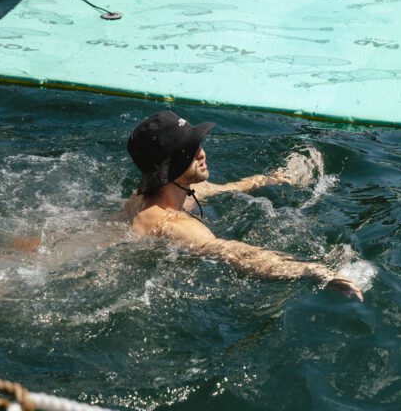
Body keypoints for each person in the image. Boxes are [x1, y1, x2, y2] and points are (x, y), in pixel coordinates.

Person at [123, 110, 363, 301]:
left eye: (197, 144)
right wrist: (312, 271)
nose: (201, 153)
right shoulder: (175, 225)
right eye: (189, 150)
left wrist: (277, 178)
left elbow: (227, 188)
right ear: (169, 167)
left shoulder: (148, 197)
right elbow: (236, 255)